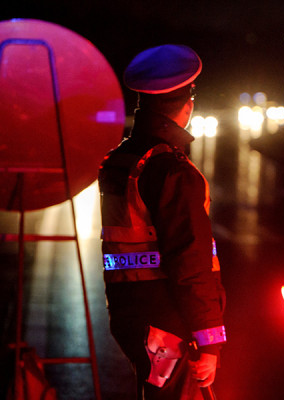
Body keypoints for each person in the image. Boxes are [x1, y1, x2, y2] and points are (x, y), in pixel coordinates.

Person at [98, 44, 226, 400]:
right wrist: (209, 339)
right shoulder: (172, 169)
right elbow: (189, 259)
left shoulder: (121, 161)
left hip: (131, 314)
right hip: (171, 324)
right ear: (188, 102)